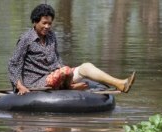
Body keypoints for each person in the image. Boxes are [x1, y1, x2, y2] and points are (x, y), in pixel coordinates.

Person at [8, 4, 136, 95]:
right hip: (36, 82)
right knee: (65, 71)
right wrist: (20, 86)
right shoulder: (26, 39)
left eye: (50, 23)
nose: (47, 26)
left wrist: (67, 74)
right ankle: (70, 87)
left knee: (86, 66)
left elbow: (57, 60)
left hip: (58, 75)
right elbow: (14, 64)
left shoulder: (51, 36)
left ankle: (120, 83)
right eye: (44, 23)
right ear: (35, 22)